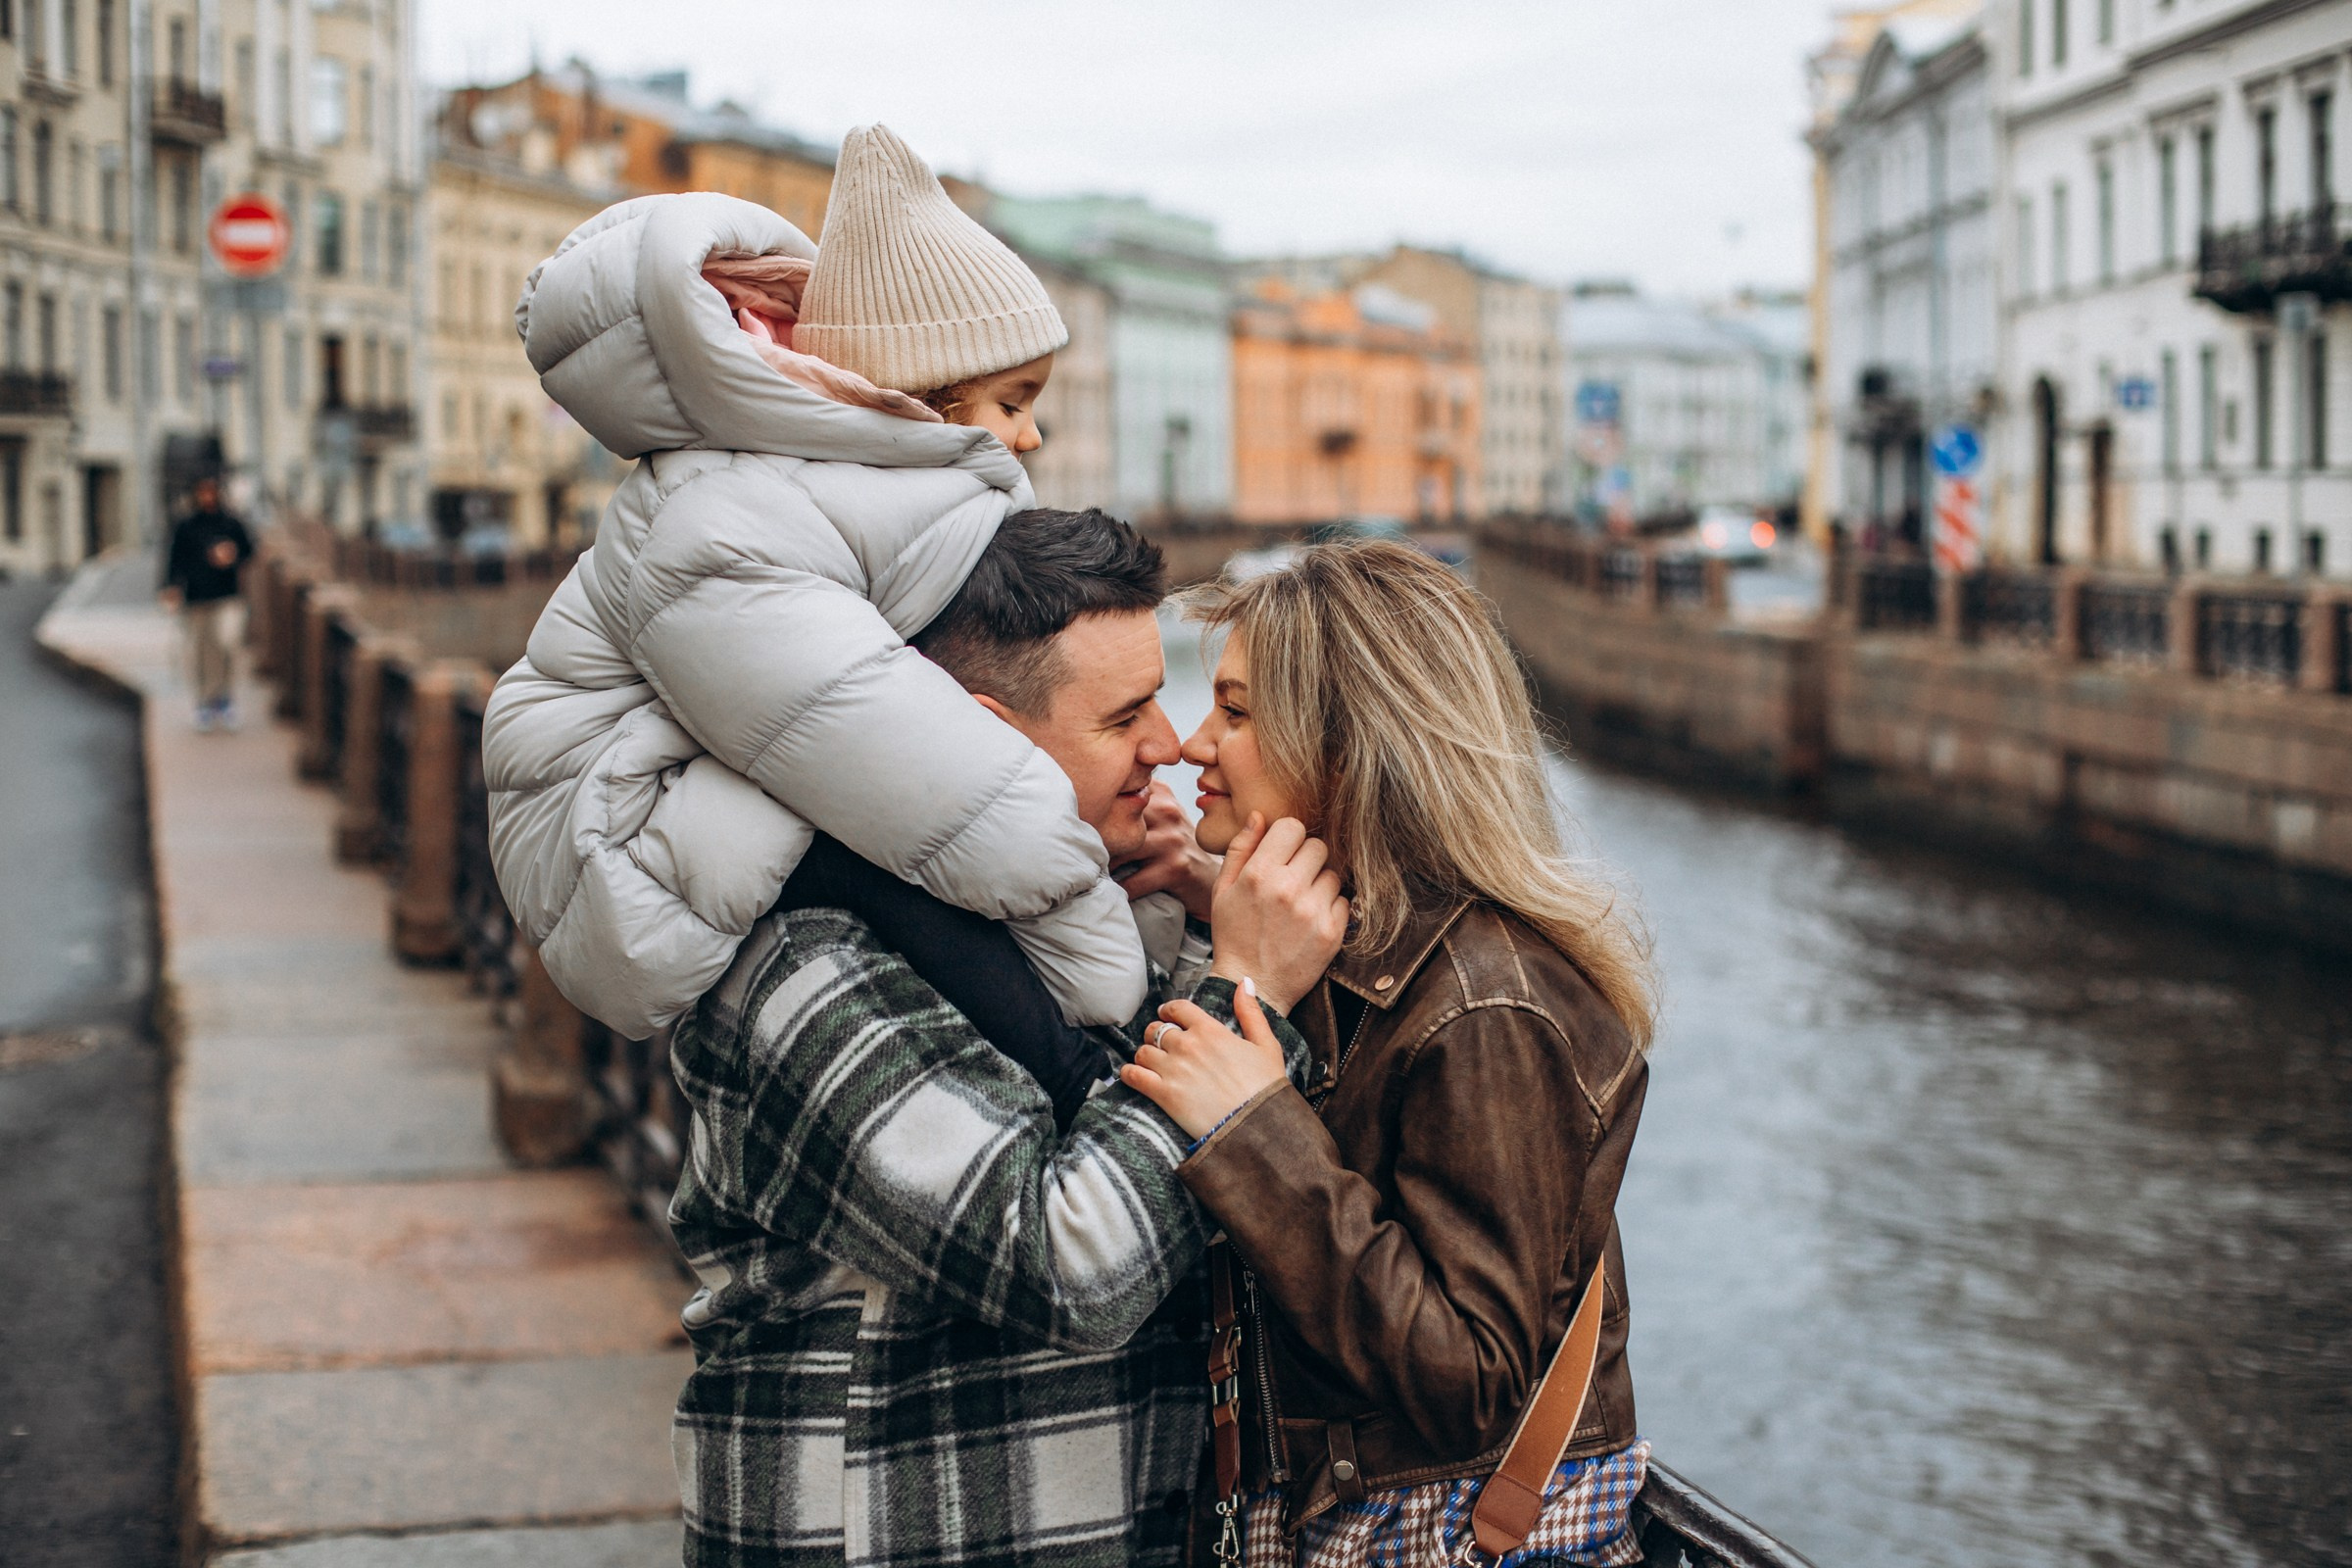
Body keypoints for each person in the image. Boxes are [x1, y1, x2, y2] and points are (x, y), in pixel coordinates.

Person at [664, 506, 1349, 1568]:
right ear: (983, 735)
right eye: (1124, 718)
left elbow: (1142, 1128)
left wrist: (1202, 924)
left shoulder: (1073, 914)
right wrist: (1243, 983)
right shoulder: (806, 963)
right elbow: (1075, 1266)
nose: (1169, 746)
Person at [483, 122, 1152, 1049]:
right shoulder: (726, 518)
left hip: (669, 785)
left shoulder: (820, 486)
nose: (1031, 437)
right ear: (926, 396)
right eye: (1013, 402)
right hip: (604, 831)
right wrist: (1098, 942)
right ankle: (1081, 1077)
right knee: (889, 827)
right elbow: (898, 749)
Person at [1120, 541, 1660, 1568]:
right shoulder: (1363, 953)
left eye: (1234, 711)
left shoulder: (1489, 1004)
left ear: (1349, 744)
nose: (1193, 743)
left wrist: (1253, 1131)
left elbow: (1471, 1378)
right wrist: (1217, 899)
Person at [160, 474, 255, 731]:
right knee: (200, 650)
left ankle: (224, 697)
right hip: (196, 597)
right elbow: (174, 559)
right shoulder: (187, 525)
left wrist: (232, 554)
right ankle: (204, 701)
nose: (207, 497)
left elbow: (249, 549)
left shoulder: (231, 523)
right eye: (203, 492)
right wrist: (170, 587)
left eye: (211, 491)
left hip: (227, 595)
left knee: (227, 644)